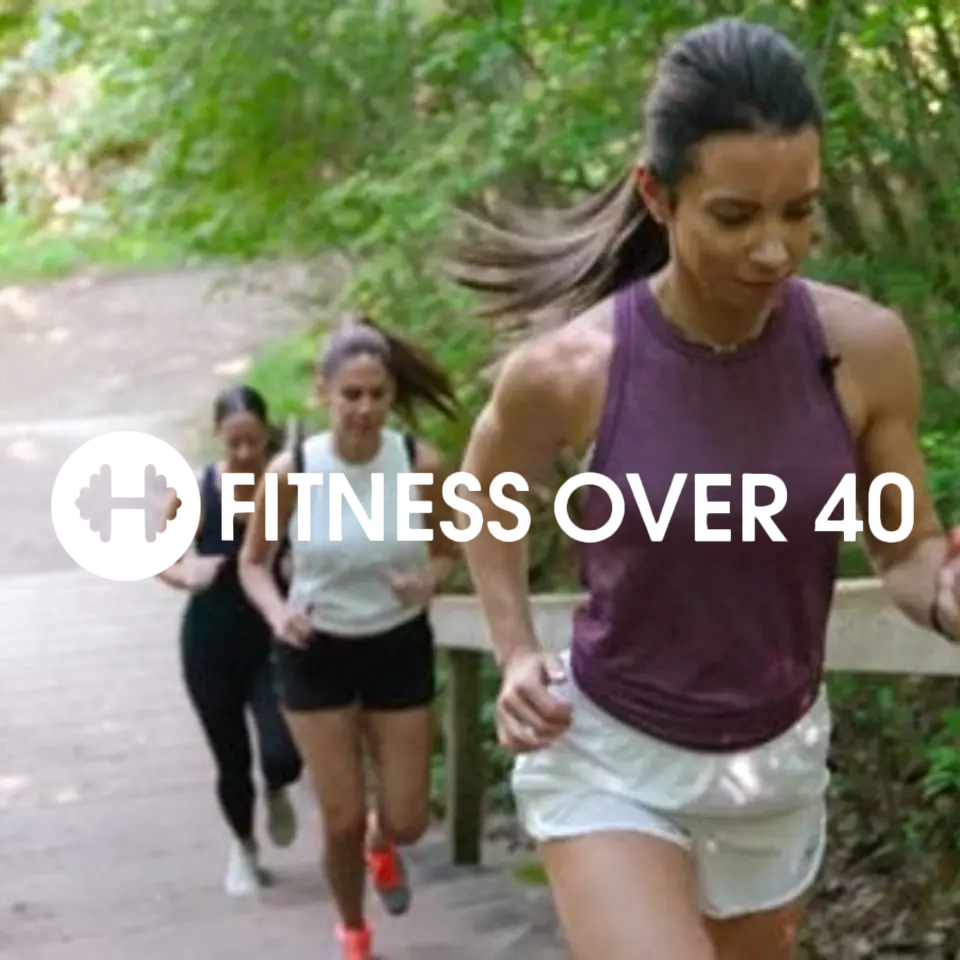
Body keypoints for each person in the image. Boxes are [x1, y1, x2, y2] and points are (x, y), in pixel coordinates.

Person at [446, 16, 960, 960]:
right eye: (735, 216)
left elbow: (906, 551)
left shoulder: (866, 351)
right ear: (658, 194)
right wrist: (516, 652)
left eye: (800, 210)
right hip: (610, 754)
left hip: (774, 763)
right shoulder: (572, 369)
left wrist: (945, 589)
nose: (775, 249)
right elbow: (485, 497)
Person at [239, 314, 460, 960]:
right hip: (316, 650)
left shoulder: (420, 465)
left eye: (378, 395)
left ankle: (381, 843)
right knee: (337, 817)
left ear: (393, 397)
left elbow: (451, 547)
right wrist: (278, 614)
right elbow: (254, 562)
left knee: (408, 818)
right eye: (352, 395)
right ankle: (353, 931)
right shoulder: (294, 469)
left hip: (395, 645)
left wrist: (430, 583)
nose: (365, 409)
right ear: (324, 393)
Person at [157, 385, 303, 897]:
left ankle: (279, 785)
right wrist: (186, 571)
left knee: (283, 753)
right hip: (210, 643)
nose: (244, 455)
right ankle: (244, 847)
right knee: (231, 760)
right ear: (218, 438)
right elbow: (162, 554)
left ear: (268, 438)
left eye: (254, 444)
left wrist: (297, 562)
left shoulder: (288, 486)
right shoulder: (197, 490)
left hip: (272, 637)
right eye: (233, 444)